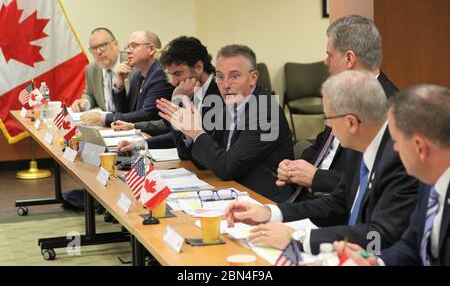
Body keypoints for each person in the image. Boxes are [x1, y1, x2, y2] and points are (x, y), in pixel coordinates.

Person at [225, 70, 418, 254]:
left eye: (328, 118)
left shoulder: (401, 159)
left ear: (351, 122)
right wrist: (270, 212)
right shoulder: (360, 144)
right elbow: (337, 202)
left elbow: (379, 236)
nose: (327, 126)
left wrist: (300, 239)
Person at [277, 14, 398, 203]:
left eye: (329, 55)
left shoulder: (387, 107)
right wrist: (294, 168)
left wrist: (317, 177)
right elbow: (323, 144)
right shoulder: (342, 92)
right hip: (307, 196)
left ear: (349, 58)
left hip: (337, 207)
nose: (325, 62)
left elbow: (367, 179)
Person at [157, 44, 295, 202]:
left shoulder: (266, 111)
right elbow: (205, 161)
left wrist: (197, 132)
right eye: (220, 76)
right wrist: (189, 133)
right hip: (233, 191)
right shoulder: (228, 107)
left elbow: (227, 168)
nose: (225, 85)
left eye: (234, 76)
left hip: (263, 199)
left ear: (253, 78)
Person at [334, 84, 450, 266]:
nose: (394, 148)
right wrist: (377, 262)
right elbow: (411, 245)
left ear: (419, 147)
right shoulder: (429, 181)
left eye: (396, 141)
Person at [116, 36, 221, 151]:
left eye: (178, 73)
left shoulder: (220, 93)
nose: (174, 82)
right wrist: (140, 144)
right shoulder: (192, 89)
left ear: (198, 67)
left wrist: (177, 100)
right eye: (171, 75)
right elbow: (180, 136)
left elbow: (192, 148)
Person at [81, 30, 173, 126]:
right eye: (127, 47)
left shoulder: (160, 74)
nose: (128, 51)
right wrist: (119, 85)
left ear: (151, 49)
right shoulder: (138, 75)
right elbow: (125, 112)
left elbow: (147, 115)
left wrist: (104, 118)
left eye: (133, 46)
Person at [71, 27, 135, 112]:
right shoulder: (91, 69)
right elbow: (90, 94)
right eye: (93, 48)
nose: (98, 52)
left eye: (102, 45)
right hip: (103, 124)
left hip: (128, 121)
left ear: (116, 44)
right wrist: (84, 103)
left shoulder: (133, 64)